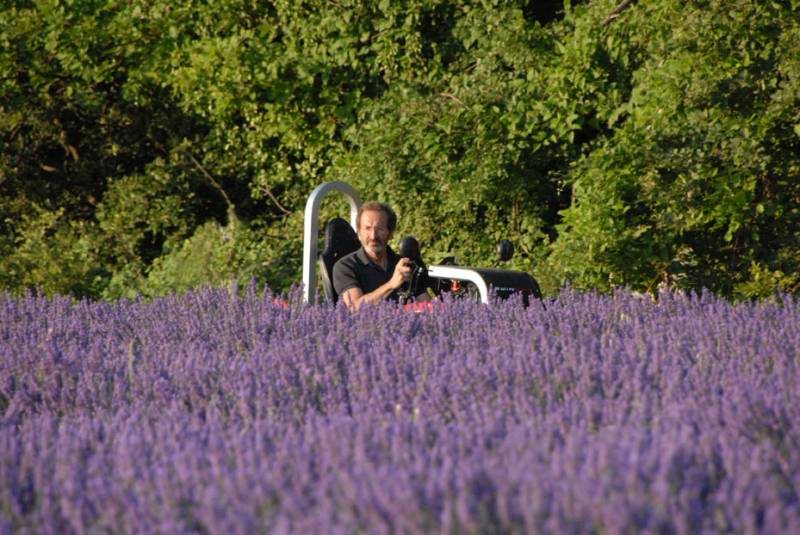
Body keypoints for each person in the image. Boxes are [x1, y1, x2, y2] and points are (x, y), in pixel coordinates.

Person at [332, 201, 422, 310]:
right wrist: (391, 284)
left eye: (379, 229)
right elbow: (355, 307)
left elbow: (426, 304)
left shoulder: (403, 265)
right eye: (367, 228)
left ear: (391, 234)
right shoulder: (345, 267)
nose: (373, 236)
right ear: (359, 233)